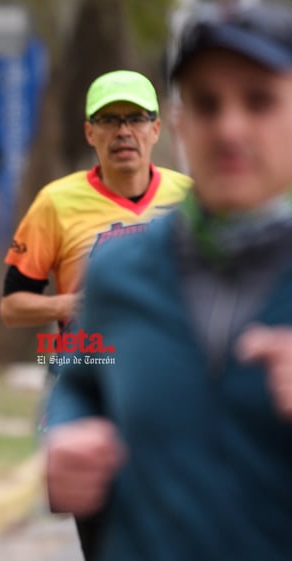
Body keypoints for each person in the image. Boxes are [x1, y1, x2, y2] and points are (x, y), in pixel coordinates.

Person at [44, 3, 292, 561]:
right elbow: (80, 381)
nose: (229, 128)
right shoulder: (118, 270)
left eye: (259, 100)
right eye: (206, 104)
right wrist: (69, 431)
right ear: (179, 124)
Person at [0, 69, 191, 558]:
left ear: (156, 128)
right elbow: (12, 305)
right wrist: (67, 304)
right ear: (90, 132)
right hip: (95, 388)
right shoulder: (56, 203)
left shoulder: (193, 199)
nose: (122, 131)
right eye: (108, 119)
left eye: (135, 118)